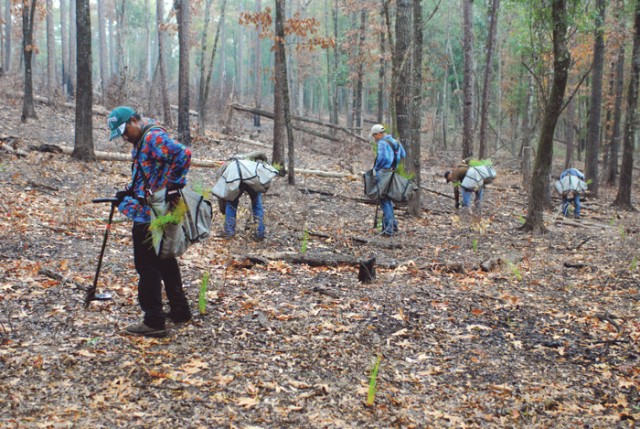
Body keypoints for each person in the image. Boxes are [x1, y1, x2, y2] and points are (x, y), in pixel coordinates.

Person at [107, 106, 192, 338]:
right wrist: (128, 192)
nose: (124, 137)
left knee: (147, 266)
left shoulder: (153, 137)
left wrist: (174, 186)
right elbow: (149, 173)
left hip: (151, 212)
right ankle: (180, 309)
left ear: (134, 120)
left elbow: (183, 154)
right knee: (164, 259)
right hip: (152, 209)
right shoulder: (143, 140)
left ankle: (154, 320)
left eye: (125, 130)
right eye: (120, 134)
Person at [371, 124, 406, 236]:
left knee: (384, 200)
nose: (374, 138)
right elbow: (403, 155)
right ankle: (393, 226)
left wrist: (376, 169)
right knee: (388, 200)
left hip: (383, 173)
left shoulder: (382, 143)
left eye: (374, 135)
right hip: (392, 172)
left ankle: (388, 230)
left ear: (379, 134)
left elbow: (383, 158)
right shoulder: (396, 142)